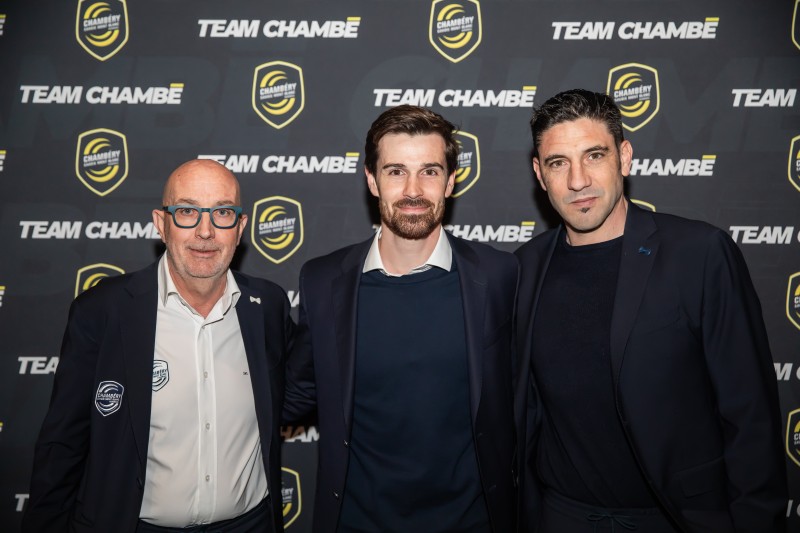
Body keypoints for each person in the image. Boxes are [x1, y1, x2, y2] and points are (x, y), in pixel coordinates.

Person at [514, 89, 787, 532]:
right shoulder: (523, 268)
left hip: (677, 519)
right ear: (539, 174)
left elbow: (750, 413)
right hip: (562, 517)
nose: (578, 180)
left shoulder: (699, 254)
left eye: (594, 155)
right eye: (558, 163)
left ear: (624, 157)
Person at [23, 159, 293, 533]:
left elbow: (301, 391)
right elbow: (63, 443)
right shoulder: (103, 310)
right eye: (187, 211)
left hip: (250, 525)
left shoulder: (267, 305)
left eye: (222, 213)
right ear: (161, 224)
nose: (205, 231)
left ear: (240, 227)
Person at [284, 105, 518, 532]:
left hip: (472, 523)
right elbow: (295, 393)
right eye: (396, 172)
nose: (413, 190)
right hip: (357, 524)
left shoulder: (499, 275)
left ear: (450, 181)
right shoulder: (323, 281)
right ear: (372, 180)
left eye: (429, 171)